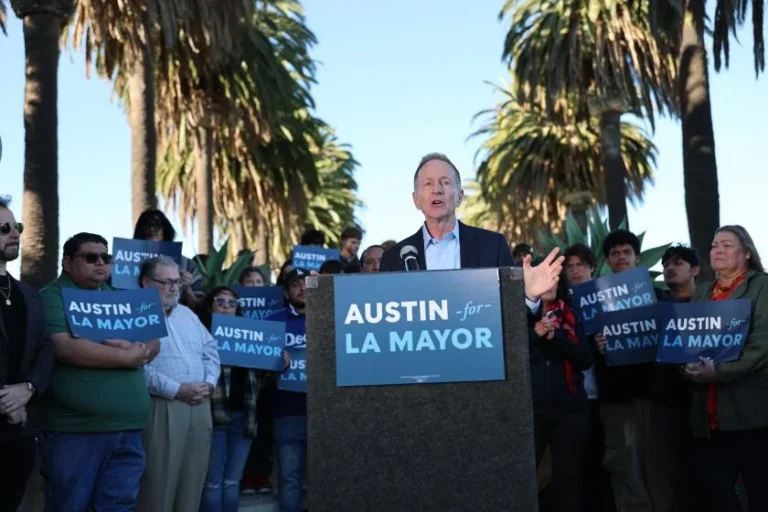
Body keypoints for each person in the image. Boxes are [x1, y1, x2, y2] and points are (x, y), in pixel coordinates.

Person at [39, 233, 159, 511]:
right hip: (77, 431)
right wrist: (129, 356)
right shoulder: (51, 295)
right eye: (91, 257)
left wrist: (138, 350)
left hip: (128, 429)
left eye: (106, 258)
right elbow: (65, 348)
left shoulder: (119, 296)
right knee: (69, 506)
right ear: (67, 263)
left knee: (119, 507)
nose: (100, 263)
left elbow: (153, 341)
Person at [379, 152, 564, 307]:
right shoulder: (393, 258)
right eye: (428, 184)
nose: (437, 190)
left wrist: (530, 296)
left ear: (459, 197)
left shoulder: (493, 245)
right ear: (416, 200)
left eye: (445, 182)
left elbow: (510, 317)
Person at [684, 225, 768, 511]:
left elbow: (761, 348)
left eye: (727, 245)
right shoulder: (703, 292)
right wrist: (686, 368)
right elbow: (685, 343)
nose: (717, 250)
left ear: (746, 253)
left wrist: (717, 373)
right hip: (708, 417)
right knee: (715, 489)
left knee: (760, 492)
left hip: (751, 413)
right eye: (714, 245)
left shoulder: (762, 287)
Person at [136, 257, 221, 512]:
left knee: (192, 487)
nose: (175, 288)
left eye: (177, 282)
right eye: (167, 282)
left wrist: (209, 383)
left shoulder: (187, 315)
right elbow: (136, 367)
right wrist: (176, 389)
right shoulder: (136, 315)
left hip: (200, 405)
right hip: (164, 406)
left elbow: (211, 350)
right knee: (158, 489)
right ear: (146, 282)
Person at [0, 200, 54, 512]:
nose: (15, 234)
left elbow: (45, 349)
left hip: (20, 433)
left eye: (17, 227)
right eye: (4, 229)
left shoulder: (28, 294)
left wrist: (27, 390)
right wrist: (8, 402)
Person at [530, 272, 593, 511]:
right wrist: (536, 333)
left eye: (553, 279)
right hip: (532, 413)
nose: (548, 284)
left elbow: (585, 359)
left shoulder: (571, 314)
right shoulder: (520, 313)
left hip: (570, 410)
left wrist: (556, 337)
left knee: (569, 484)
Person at [198, 287, 260, 512]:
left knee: (232, 483)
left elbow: (262, 377)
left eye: (232, 303)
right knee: (213, 484)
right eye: (220, 301)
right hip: (214, 418)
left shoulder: (253, 337)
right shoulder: (199, 334)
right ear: (209, 306)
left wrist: (279, 363)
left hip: (244, 417)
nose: (226, 306)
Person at [266, 268, 309, 512]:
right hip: (286, 412)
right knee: (289, 478)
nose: (302, 288)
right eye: (296, 285)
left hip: (326, 412)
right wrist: (272, 362)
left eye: (307, 283)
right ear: (285, 292)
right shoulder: (271, 323)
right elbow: (257, 367)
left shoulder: (331, 317)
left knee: (329, 477)